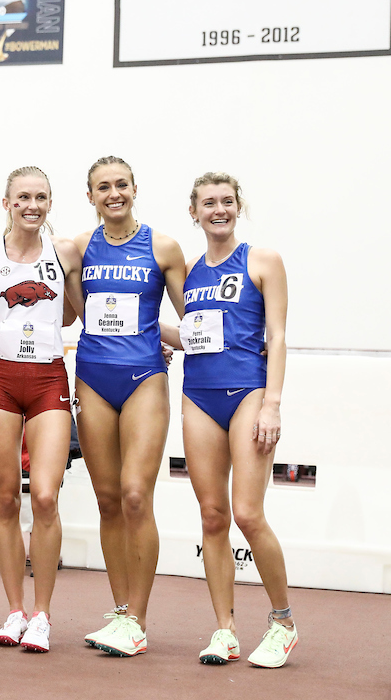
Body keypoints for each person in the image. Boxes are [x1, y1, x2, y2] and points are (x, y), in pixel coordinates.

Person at [0, 166, 83, 653]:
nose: (33, 205)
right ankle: (14, 611)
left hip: (49, 376)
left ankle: (43, 615)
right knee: (5, 497)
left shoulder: (64, 250)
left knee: (46, 496)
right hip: (0, 380)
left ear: (50, 203)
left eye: (42, 197)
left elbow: (76, 312)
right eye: (23, 197)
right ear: (6, 203)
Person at [179, 173, 296, 668]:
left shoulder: (262, 260)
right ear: (195, 212)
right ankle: (225, 630)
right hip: (198, 396)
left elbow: (279, 335)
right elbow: (191, 334)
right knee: (212, 516)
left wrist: (272, 402)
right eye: (209, 203)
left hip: (248, 392)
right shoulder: (188, 270)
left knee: (247, 513)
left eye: (227, 201)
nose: (219, 209)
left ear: (238, 206)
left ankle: (283, 622)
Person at [75, 156, 186, 657]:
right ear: (91, 195)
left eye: (121, 185)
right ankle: (120, 613)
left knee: (136, 495)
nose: (113, 193)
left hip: (143, 377)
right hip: (94, 378)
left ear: (135, 189)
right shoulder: (79, 247)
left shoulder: (162, 247)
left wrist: (252, 340)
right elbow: (71, 310)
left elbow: (194, 316)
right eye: (104, 187)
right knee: (107, 499)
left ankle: (138, 619)